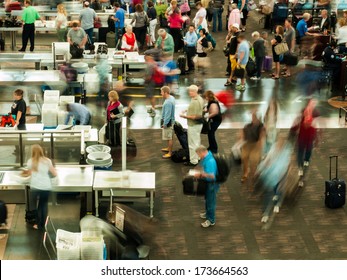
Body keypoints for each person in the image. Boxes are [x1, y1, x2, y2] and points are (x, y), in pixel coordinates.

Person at [25, 144, 57, 230]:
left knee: (34, 206)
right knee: (43, 205)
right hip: (46, 186)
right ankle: (42, 224)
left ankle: (37, 223)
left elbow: (28, 173)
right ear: (41, 151)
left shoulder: (30, 161)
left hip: (35, 187)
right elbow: (54, 174)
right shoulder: (47, 161)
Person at [290, 99, 319, 176]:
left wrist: (316, 138)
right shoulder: (304, 116)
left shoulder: (314, 115)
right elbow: (297, 124)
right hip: (302, 139)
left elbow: (315, 128)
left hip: (308, 138)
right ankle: (300, 167)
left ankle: (306, 161)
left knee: (308, 151)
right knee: (301, 153)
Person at [194, 145, 220, 228]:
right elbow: (201, 165)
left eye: (198, 154)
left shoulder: (210, 161)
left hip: (212, 184)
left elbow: (212, 175)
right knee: (207, 200)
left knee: (210, 202)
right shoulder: (207, 156)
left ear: (202, 152)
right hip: (208, 183)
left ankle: (211, 220)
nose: (198, 156)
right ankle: (207, 213)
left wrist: (200, 174)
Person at [180, 85, 204, 166]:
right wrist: (187, 109)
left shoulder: (195, 101)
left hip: (193, 125)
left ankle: (193, 161)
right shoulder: (199, 98)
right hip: (198, 125)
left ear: (195, 91)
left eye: (191, 91)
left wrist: (184, 116)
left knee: (192, 144)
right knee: (197, 142)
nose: (189, 93)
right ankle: (198, 157)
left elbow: (195, 116)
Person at [241, 111, 265, 183]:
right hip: (247, 144)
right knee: (244, 157)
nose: (253, 118)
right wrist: (241, 136)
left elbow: (262, 136)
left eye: (254, 116)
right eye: (252, 116)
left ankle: (254, 175)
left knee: (254, 161)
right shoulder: (248, 125)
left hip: (256, 145)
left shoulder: (261, 126)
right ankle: (245, 173)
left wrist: (260, 143)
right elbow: (243, 131)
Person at [160, 86, 175, 159]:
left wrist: (164, 124)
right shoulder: (171, 97)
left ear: (166, 92)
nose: (161, 93)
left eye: (162, 92)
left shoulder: (168, 102)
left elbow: (168, 115)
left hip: (168, 122)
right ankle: (168, 148)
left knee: (169, 137)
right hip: (170, 121)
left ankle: (170, 152)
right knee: (168, 136)